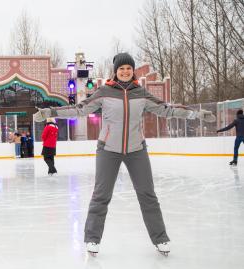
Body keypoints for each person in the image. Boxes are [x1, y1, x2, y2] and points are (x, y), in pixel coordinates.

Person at [33, 52, 216, 256]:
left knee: (148, 195)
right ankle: (92, 239)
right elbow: (80, 109)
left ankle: (160, 239)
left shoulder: (141, 93)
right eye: (122, 68)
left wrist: (196, 113)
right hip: (108, 149)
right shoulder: (104, 92)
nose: (126, 71)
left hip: (136, 149)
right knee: (101, 195)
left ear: (132, 70)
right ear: (116, 71)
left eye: (129, 68)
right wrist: (50, 112)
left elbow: (167, 110)